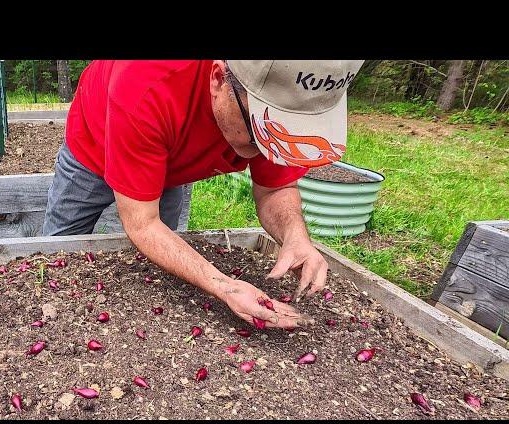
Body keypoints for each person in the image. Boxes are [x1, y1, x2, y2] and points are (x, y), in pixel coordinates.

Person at [44, 60, 365, 329]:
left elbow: (275, 187)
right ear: (217, 79)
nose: (267, 152)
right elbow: (142, 223)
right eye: (261, 132)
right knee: (54, 255)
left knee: (157, 265)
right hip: (94, 144)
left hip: (171, 159)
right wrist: (225, 286)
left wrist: (296, 237)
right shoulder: (144, 81)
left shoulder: (273, 84)